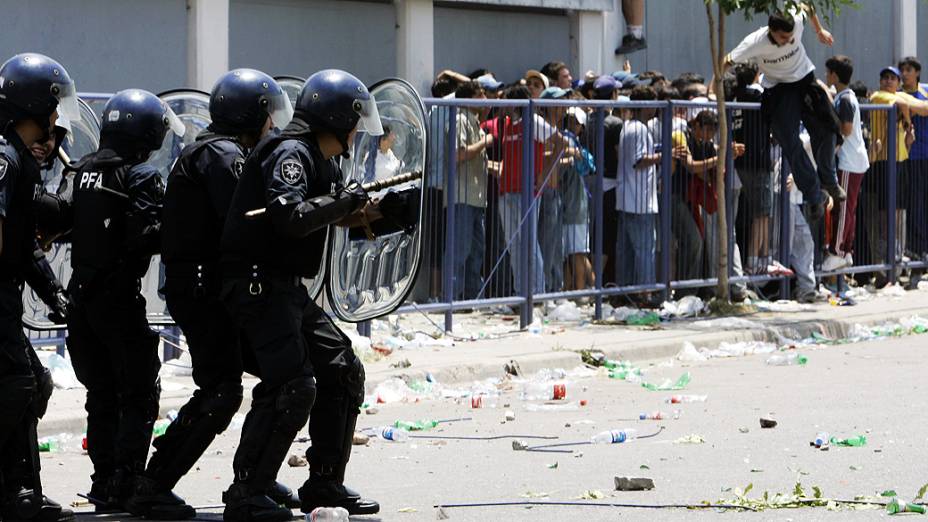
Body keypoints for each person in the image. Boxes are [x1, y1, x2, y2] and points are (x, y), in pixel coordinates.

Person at [123, 70, 294, 519]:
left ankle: (254, 475)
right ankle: (154, 483)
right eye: (267, 118)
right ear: (250, 115)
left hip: (203, 288)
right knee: (221, 389)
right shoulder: (222, 154)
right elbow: (244, 220)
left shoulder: (209, 149)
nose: (272, 128)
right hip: (204, 291)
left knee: (279, 376)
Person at [219, 69, 382, 521]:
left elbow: (330, 211)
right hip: (256, 285)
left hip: (284, 288)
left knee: (342, 369)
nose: (355, 131)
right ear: (336, 118)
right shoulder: (291, 152)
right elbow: (290, 216)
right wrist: (342, 203)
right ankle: (247, 492)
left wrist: (374, 212)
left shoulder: (320, 158)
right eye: (353, 120)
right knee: (292, 385)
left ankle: (324, 485)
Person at [66, 89, 185, 513]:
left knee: (100, 393)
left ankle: (103, 481)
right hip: (118, 300)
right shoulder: (139, 177)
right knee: (137, 391)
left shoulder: (82, 171)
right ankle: (130, 478)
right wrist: (177, 220)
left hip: (81, 301)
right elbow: (145, 236)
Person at [0, 52, 79, 522]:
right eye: (51, 107)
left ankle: (20, 492)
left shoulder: (18, 159)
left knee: (31, 385)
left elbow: (23, 245)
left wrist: (55, 296)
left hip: (6, 294)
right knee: (16, 384)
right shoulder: (5, 160)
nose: (55, 119)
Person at [721, 4, 845, 221]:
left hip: (804, 79)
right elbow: (726, 61)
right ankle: (815, 195)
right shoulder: (755, 42)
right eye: (782, 38)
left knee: (828, 127)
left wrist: (819, 30)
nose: (787, 41)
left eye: (790, 37)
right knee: (789, 140)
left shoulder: (795, 19)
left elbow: (807, 5)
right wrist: (714, 84)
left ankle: (829, 180)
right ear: (771, 31)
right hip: (779, 89)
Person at [822, 56, 869, 272]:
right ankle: (847, 250)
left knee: (843, 208)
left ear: (834, 75)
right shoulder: (843, 97)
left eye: (828, 72)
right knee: (848, 208)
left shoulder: (846, 99)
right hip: (853, 161)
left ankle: (838, 252)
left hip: (849, 161)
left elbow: (846, 129)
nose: (826, 76)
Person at [580, 76, 623, 287]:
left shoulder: (588, 120)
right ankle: (596, 283)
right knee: (605, 235)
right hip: (609, 182)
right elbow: (619, 153)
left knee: (593, 232)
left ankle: (591, 281)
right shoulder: (614, 123)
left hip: (589, 180)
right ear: (613, 95)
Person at [616, 86, 661, 289]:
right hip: (639, 201)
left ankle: (625, 290)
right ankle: (646, 292)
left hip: (628, 198)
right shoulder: (640, 129)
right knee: (645, 250)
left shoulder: (628, 126)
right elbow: (639, 160)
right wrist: (664, 155)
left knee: (627, 250)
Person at [451, 81, 492, 299]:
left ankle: (470, 297)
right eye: (480, 94)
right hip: (462, 197)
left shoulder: (475, 122)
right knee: (460, 251)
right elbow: (459, 154)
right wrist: (485, 141)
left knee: (476, 252)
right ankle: (453, 297)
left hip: (476, 198)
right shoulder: (460, 120)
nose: (485, 98)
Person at [898, 57, 928, 259]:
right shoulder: (897, 94)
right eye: (902, 70)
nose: (904, 74)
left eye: (909, 70)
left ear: (917, 72)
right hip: (911, 156)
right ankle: (918, 250)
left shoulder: (924, 89)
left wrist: (910, 105)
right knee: (915, 204)